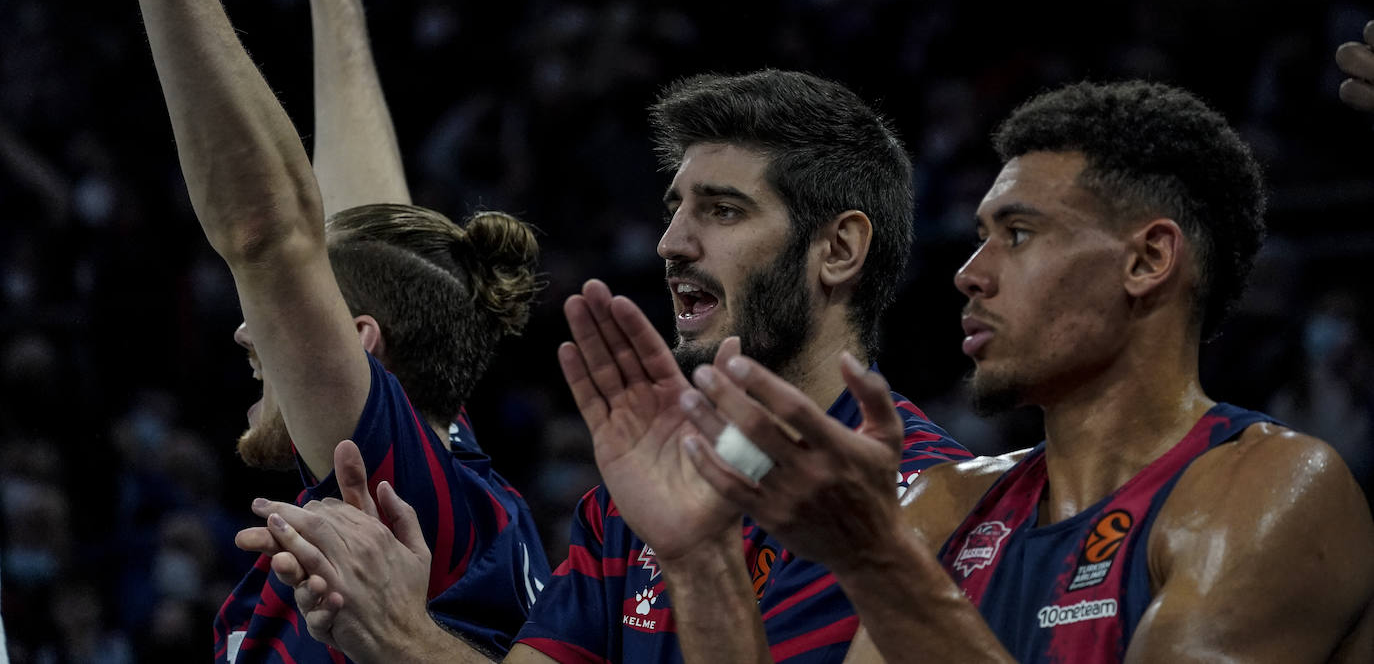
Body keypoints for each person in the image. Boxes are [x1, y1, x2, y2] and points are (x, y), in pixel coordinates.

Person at [48, 0, 549, 662]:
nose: (252, 337)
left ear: (361, 345)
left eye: (277, 327)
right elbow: (364, 230)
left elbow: (270, 234)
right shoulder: (449, 479)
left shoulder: (404, 493)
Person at [248, 68, 972, 662]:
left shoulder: (937, 502)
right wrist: (394, 624)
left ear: (839, 249)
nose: (670, 242)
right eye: (675, 208)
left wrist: (406, 640)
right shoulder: (624, 507)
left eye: (721, 211)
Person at [664, 77, 1374, 661]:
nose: (970, 275)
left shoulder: (1275, 491)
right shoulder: (941, 505)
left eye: (1020, 234)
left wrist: (879, 563)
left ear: (1148, 260)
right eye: (980, 238)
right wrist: (698, 553)